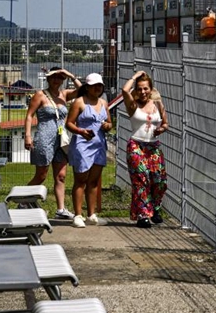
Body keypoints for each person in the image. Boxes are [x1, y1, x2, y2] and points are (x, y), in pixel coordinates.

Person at [23, 67, 82, 219]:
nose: (57, 80)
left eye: (60, 78)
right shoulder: (40, 95)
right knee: (41, 174)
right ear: (48, 79)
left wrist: (70, 75)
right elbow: (29, 115)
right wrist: (28, 135)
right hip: (44, 137)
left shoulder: (65, 94)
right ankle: (23, 200)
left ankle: (61, 209)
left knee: (61, 175)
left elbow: (83, 91)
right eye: (54, 77)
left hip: (61, 140)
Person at [122, 70, 169, 228]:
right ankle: (143, 215)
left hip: (153, 146)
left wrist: (161, 129)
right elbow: (124, 90)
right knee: (141, 179)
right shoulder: (133, 105)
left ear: (151, 89)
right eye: (139, 88)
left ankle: (155, 209)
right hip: (137, 145)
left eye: (146, 88)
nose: (142, 92)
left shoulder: (157, 103)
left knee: (159, 180)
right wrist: (135, 77)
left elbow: (165, 123)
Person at [65, 73, 112, 228]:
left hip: (99, 145)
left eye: (99, 85)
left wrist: (107, 126)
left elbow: (109, 123)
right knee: (81, 180)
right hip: (82, 144)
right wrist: (80, 131)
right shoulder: (79, 102)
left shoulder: (104, 103)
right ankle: (78, 214)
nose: (97, 88)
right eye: (94, 85)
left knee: (93, 181)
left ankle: (91, 214)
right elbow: (69, 123)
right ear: (87, 87)